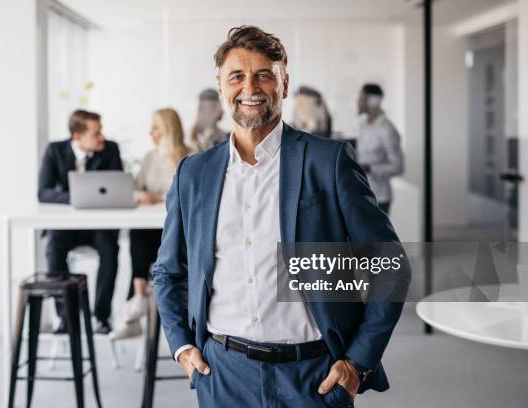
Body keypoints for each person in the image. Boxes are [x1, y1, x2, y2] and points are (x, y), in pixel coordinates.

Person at [152, 26, 410, 407]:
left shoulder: (328, 162)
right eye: (236, 76)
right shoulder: (194, 173)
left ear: (284, 84)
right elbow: (169, 271)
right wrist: (182, 347)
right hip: (223, 374)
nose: (250, 87)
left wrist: (358, 362)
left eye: (264, 75)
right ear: (222, 87)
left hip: (313, 377)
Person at [109, 108, 191, 340]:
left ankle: (135, 308)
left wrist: (159, 197)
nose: (151, 133)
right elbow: (135, 187)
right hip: (152, 228)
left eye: (155, 128)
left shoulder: (191, 156)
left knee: (154, 239)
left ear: (168, 130)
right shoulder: (149, 158)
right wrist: (139, 195)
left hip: (180, 230)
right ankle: (138, 297)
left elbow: (192, 195)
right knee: (139, 233)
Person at [38, 109, 122, 334]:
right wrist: (76, 197)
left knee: (110, 248)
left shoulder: (110, 149)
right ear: (77, 136)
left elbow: (117, 189)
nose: (101, 137)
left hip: (98, 227)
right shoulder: (55, 151)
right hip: (67, 226)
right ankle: (65, 317)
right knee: (53, 246)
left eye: (101, 130)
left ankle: (102, 317)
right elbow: (43, 192)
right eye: (96, 133)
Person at [356, 83, 404, 214]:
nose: (358, 101)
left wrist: (370, 168)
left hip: (379, 197)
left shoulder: (387, 129)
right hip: (360, 193)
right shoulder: (363, 125)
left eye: (362, 98)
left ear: (373, 101)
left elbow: (398, 166)